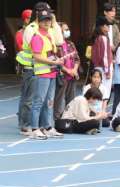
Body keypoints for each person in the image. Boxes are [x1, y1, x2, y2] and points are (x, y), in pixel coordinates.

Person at [16, 2, 63, 136]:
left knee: (46, 100)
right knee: (30, 99)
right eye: (47, 13)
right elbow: (36, 50)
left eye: (50, 14)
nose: (50, 16)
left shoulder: (49, 29)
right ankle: (26, 126)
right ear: (38, 13)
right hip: (32, 66)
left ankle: (44, 126)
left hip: (48, 68)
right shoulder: (32, 29)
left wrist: (54, 23)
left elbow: (59, 41)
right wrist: (50, 60)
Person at [30, 10, 64, 139]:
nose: (47, 22)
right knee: (38, 102)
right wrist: (52, 61)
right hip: (42, 73)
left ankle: (48, 127)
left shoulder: (49, 35)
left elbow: (52, 52)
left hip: (51, 72)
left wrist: (57, 60)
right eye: (44, 20)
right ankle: (34, 128)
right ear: (39, 21)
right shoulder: (37, 36)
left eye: (49, 20)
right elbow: (37, 56)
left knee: (49, 102)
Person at [54, 22, 80, 120]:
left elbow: (77, 58)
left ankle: (68, 118)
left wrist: (74, 69)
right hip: (62, 76)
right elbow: (56, 61)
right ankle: (57, 119)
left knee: (71, 100)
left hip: (72, 76)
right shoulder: (56, 46)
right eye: (65, 29)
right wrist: (67, 70)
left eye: (67, 29)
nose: (67, 31)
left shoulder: (70, 44)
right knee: (59, 100)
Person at [91, 16, 113, 105]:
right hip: (104, 69)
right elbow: (104, 56)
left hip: (98, 67)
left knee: (99, 89)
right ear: (102, 26)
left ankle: (98, 111)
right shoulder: (103, 38)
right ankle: (102, 112)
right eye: (107, 25)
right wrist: (107, 71)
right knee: (105, 91)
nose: (108, 28)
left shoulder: (97, 37)